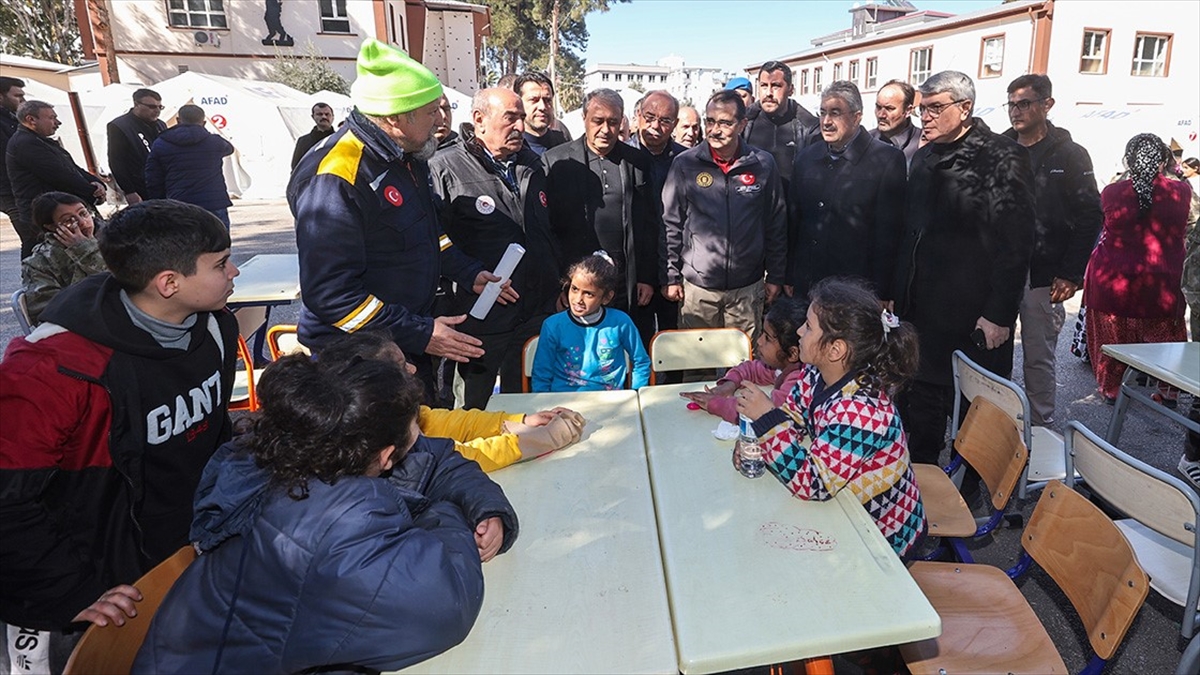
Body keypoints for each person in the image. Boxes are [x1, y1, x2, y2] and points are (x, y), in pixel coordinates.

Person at [133, 351, 516, 673]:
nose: (422, 436)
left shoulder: (294, 449)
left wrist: (484, 506)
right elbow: (443, 607)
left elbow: (436, 460)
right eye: (416, 427)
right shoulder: (337, 530)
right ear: (384, 457)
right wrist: (447, 511)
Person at [0, 200, 239, 672]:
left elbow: (209, 433)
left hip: (178, 562)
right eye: (220, 263)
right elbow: (8, 502)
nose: (234, 272)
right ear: (168, 283)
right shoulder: (51, 369)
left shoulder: (215, 325)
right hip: (87, 587)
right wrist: (70, 590)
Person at [288, 39, 512, 401]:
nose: (441, 121)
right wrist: (421, 333)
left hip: (404, 343)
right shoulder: (336, 174)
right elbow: (332, 295)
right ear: (394, 118)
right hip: (358, 363)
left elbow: (428, 233)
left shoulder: (408, 153)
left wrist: (467, 272)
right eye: (430, 112)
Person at [892, 70, 1034, 469]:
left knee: (975, 410)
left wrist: (999, 313)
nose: (926, 117)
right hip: (920, 309)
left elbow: (1017, 242)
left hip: (973, 312)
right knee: (921, 404)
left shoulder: (1003, 157)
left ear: (965, 108)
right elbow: (910, 231)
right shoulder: (924, 156)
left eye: (936, 108)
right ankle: (919, 484)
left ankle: (972, 493)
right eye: (923, 109)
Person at [734, 277, 926, 559]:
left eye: (809, 327)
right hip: (847, 514)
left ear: (835, 350)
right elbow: (793, 418)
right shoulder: (816, 374)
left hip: (884, 541)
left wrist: (766, 420)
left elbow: (813, 484)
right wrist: (761, 446)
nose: (800, 331)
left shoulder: (862, 411)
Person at [429, 87, 560, 408]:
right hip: (482, 315)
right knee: (474, 405)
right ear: (479, 120)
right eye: (510, 118)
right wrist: (471, 274)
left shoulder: (533, 164)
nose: (520, 126)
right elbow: (432, 240)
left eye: (522, 118)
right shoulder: (445, 168)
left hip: (535, 312)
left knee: (526, 404)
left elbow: (549, 231)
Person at [318, 331, 586, 472]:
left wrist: (519, 421)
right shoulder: (389, 442)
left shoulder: (384, 415)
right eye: (401, 366)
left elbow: (449, 421)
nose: (412, 370)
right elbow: (461, 456)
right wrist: (547, 438)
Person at [1001, 74, 1102, 427]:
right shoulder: (1000, 148)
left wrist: (1072, 274)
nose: (1016, 111)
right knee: (992, 350)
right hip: (999, 269)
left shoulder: (1071, 154)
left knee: (1037, 356)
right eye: (1011, 103)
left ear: (1047, 104)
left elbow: (1091, 215)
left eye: (1024, 103)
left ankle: (1038, 430)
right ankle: (990, 429)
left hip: (1044, 275)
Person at [662, 90, 787, 340]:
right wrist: (671, 276)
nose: (715, 130)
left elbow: (776, 222)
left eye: (724, 123)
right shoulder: (685, 163)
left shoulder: (763, 164)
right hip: (698, 288)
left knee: (743, 366)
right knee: (698, 365)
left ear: (742, 124)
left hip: (747, 287)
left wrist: (775, 275)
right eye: (710, 121)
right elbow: (670, 223)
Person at [1084, 133, 1190, 403]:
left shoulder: (1111, 192)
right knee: (1165, 341)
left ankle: (1111, 388)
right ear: (1163, 160)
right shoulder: (1181, 192)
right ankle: (1168, 391)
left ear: (1129, 160)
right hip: (1163, 283)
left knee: (1113, 341)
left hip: (1113, 281)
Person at [543, 88, 657, 328]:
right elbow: (548, 229)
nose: (606, 130)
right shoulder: (556, 161)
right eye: (598, 121)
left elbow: (649, 224)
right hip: (577, 281)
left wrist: (646, 277)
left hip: (625, 280)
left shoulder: (638, 162)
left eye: (613, 122)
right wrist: (561, 284)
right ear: (584, 118)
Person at [789, 81, 906, 303]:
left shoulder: (886, 160)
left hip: (854, 290)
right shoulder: (806, 157)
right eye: (822, 112)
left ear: (856, 116)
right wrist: (788, 274)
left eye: (835, 113)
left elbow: (889, 236)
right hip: (807, 284)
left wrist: (882, 292)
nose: (826, 121)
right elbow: (794, 221)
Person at [532, 252, 651, 392]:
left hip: (611, 403)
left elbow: (641, 362)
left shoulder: (621, 322)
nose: (578, 299)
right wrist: (545, 408)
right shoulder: (552, 325)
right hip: (562, 402)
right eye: (574, 289)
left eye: (589, 294)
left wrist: (636, 394)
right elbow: (541, 375)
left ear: (607, 297)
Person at [680, 296, 807, 424]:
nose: (759, 341)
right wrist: (729, 384)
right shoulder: (782, 367)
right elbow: (750, 369)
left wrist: (715, 404)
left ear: (792, 353)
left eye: (767, 338)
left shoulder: (799, 381)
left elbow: (763, 414)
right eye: (762, 333)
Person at [6, 100, 106, 260]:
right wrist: (92, 191)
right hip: (44, 215)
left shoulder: (42, 141)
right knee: (44, 259)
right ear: (31, 120)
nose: (58, 122)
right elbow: (61, 176)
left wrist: (96, 183)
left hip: (57, 210)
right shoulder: (25, 144)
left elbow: (72, 168)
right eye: (52, 118)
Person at [629, 90, 686, 343]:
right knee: (636, 346)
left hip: (675, 269)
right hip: (633, 269)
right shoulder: (621, 155)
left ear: (674, 124)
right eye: (649, 117)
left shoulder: (686, 160)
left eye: (665, 120)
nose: (655, 126)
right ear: (638, 116)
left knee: (674, 345)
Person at [21, 192, 107, 324]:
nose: (83, 222)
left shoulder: (112, 240)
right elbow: (48, 312)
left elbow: (132, 285)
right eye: (69, 220)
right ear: (51, 227)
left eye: (83, 213)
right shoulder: (41, 262)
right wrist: (84, 249)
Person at [144, 104, 235, 228]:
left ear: (178, 120)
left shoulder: (161, 143)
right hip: (214, 202)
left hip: (179, 203)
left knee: (185, 244)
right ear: (203, 122)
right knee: (218, 245)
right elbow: (230, 149)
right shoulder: (215, 142)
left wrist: (158, 202)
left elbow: (153, 177)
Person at [741, 61, 819, 194]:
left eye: (776, 86)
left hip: (792, 210)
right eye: (764, 86)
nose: (769, 93)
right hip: (752, 209)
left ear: (790, 90)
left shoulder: (809, 128)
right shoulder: (744, 123)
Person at [106, 88, 167, 206]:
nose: (157, 111)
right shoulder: (119, 126)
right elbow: (116, 161)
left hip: (163, 184)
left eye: (160, 107)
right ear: (136, 104)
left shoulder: (160, 124)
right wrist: (129, 191)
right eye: (152, 107)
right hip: (141, 185)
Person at [0, 76, 28, 247]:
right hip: (11, 191)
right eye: (18, 96)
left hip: (20, 189)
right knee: (32, 239)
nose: (23, 101)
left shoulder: (13, 119)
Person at [869, 79, 921, 167]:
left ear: (908, 110)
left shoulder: (923, 143)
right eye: (878, 107)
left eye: (889, 109)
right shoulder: (866, 140)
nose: (881, 115)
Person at [515, 72, 567, 156]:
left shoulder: (564, 144)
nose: (542, 107)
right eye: (534, 100)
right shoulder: (512, 150)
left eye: (547, 100)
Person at [290, 102, 336, 169]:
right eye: (319, 114)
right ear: (313, 116)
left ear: (332, 117)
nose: (324, 117)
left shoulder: (340, 139)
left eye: (327, 114)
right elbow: (296, 168)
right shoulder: (303, 141)